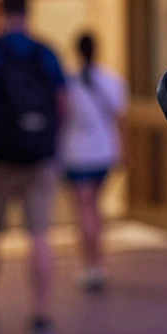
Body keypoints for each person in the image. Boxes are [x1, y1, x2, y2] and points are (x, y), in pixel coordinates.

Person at [0, 0, 67, 334]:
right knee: (39, 236)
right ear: (28, 12)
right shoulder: (46, 53)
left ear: (0, 13)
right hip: (40, 156)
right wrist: (53, 143)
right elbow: (62, 102)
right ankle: (41, 315)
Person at [61, 32, 127, 294]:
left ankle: (90, 265)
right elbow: (120, 120)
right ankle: (98, 263)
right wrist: (125, 152)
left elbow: (61, 119)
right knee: (94, 207)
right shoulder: (111, 81)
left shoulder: (68, 83)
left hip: (75, 154)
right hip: (103, 152)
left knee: (84, 209)